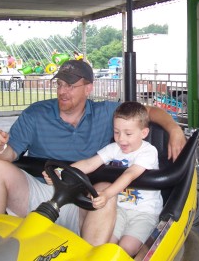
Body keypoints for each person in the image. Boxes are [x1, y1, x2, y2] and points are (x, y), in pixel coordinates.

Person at [0, 60, 186, 246]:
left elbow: (146, 111)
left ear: (88, 89)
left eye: (70, 86)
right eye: (59, 84)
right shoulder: (36, 113)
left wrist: (174, 129)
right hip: (38, 194)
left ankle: (88, 252)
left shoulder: (105, 113)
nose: (62, 91)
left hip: (82, 202)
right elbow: (11, 154)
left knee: (105, 189)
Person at [44, 101, 162, 256]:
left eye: (128, 134)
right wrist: (60, 172)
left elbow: (130, 174)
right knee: (108, 244)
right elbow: (89, 163)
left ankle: (145, 248)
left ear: (144, 133)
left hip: (144, 211)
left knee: (127, 247)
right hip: (119, 208)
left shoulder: (148, 152)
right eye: (116, 132)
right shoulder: (115, 148)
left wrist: (106, 194)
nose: (121, 139)